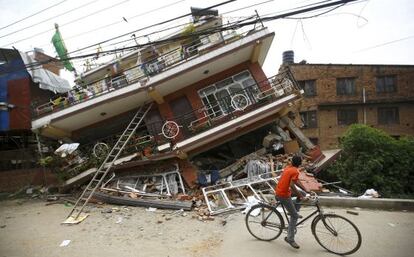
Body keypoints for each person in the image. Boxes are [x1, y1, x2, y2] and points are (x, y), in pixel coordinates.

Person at [275, 155, 307, 249]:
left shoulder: (288, 168)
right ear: (299, 164)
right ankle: (290, 238)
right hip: (283, 195)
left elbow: (295, 182)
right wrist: (300, 196)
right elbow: (292, 185)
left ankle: (293, 211)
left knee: (303, 193)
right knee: (294, 216)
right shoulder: (295, 171)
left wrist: (305, 189)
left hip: (281, 191)